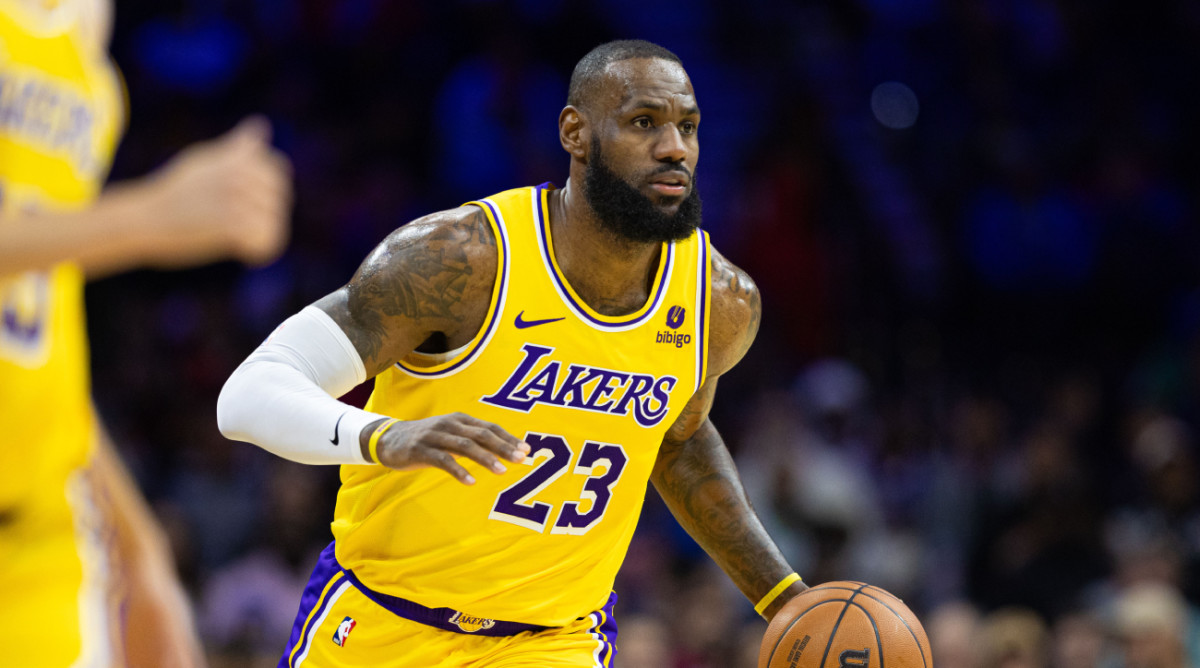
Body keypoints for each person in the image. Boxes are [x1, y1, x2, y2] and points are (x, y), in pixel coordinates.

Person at [219, 39, 806, 666]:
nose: (675, 148)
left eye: (688, 126)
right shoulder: (461, 259)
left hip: (554, 641)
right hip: (384, 622)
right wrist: (383, 436)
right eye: (644, 123)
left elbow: (676, 438)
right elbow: (249, 394)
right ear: (575, 133)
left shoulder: (719, 302)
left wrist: (783, 596)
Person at [0, 1, 292, 666]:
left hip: (40, 541)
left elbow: (36, 334)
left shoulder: (83, 32)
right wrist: (152, 217)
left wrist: (137, 543)